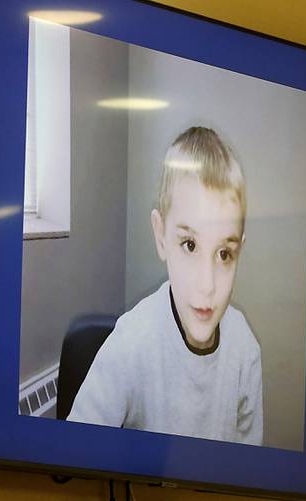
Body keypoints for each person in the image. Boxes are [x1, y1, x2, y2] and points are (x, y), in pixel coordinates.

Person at [68, 126, 263, 445]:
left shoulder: (246, 352)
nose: (207, 284)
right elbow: (74, 451)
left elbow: (249, 472)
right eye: (189, 245)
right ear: (161, 237)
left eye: (224, 253)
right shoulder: (130, 343)